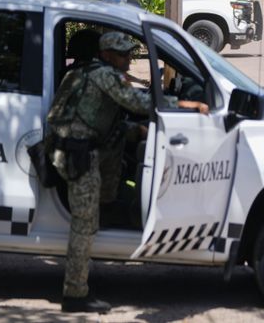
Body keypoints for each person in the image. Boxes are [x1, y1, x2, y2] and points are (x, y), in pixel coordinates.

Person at [47, 32, 208, 314]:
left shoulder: (86, 72)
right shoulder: (105, 75)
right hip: (79, 154)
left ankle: (106, 218)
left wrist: (135, 131)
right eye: (123, 54)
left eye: (129, 54)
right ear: (107, 55)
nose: (128, 59)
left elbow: (101, 116)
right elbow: (139, 103)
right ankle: (75, 293)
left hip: (76, 149)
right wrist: (185, 105)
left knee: (98, 205)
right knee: (84, 227)